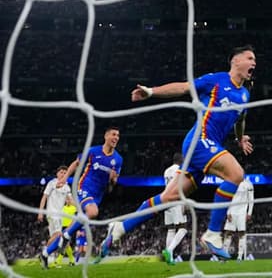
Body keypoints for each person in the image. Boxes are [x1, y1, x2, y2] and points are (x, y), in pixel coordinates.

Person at [96, 45, 256, 262]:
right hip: (199, 141)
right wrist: (151, 92)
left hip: (205, 149)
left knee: (169, 197)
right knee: (236, 174)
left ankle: (120, 228)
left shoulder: (245, 94)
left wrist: (240, 138)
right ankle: (212, 234)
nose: (254, 63)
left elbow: (240, 119)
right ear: (235, 61)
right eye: (250, 58)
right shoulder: (216, 80)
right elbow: (183, 87)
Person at [39, 126, 123, 269]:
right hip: (84, 187)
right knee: (93, 212)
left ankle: (45, 253)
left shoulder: (118, 159)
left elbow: (112, 186)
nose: (116, 138)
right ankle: (66, 237)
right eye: (113, 134)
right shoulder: (93, 151)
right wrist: (65, 178)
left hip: (97, 195)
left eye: (118, 135)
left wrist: (113, 180)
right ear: (106, 136)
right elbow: (76, 163)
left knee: (75, 225)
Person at [38, 165, 71, 265]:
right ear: (57, 174)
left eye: (65, 173)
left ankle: (45, 255)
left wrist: (79, 206)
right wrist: (40, 212)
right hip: (52, 213)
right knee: (59, 234)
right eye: (61, 172)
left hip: (59, 215)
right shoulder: (52, 183)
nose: (63, 174)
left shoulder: (66, 187)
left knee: (54, 237)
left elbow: (71, 200)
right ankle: (45, 254)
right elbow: (44, 197)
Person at [160, 152, 188, 265]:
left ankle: (170, 258)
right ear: (181, 160)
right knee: (183, 228)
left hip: (167, 201)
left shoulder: (166, 171)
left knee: (171, 229)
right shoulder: (181, 170)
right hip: (176, 200)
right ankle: (169, 250)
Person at [223, 172, 254, 261]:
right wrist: (228, 212)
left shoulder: (248, 184)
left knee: (241, 233)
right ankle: (224, 255)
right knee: (228, 233)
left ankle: (240, 256)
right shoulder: (231, 183)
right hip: (232, 211)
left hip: (242, 212)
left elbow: (251, 199)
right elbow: (228, 198)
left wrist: (249, 213)